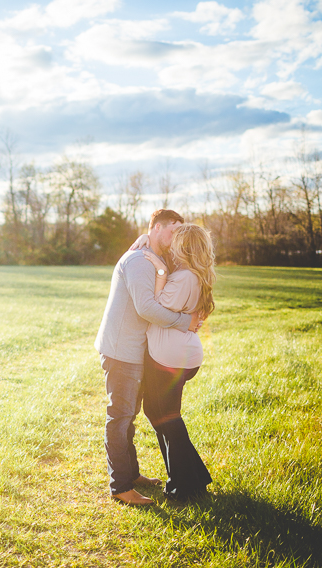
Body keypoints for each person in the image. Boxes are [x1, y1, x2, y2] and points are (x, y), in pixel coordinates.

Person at [94, 209, 200, 506]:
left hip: (136, 350)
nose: (176, 237)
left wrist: (146, 237)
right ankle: (120, 486)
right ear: (156, 228)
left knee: (129, 416)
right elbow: (147, 308)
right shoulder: (140, 260)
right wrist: (186, 322)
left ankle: (132, 474)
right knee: (120, 417)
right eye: (172, 230)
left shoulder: (156, 256)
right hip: (121, 351)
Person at [141, 223, 215, 501]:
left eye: (176, 242)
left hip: (171, 357)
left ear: (184, 248)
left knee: (168, 416)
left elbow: (155, 306)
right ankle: (193, 477)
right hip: (176, 354)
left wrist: (160, 272)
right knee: (156, 411)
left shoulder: (184, 277)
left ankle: (185, 486)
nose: (170, 246)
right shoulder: (190, 275)